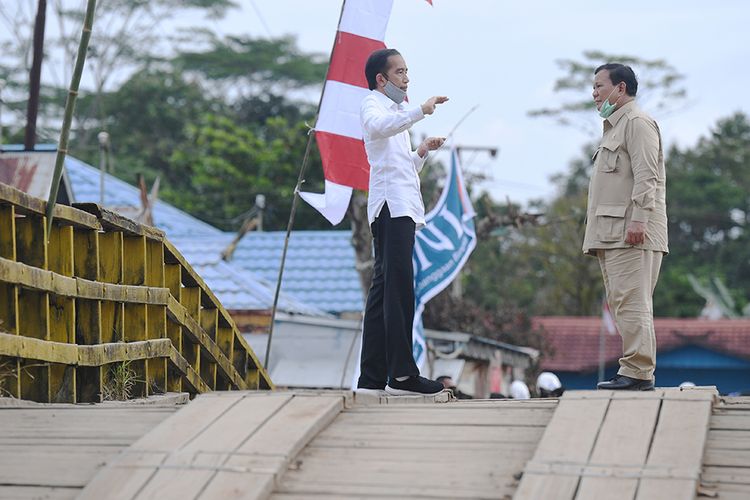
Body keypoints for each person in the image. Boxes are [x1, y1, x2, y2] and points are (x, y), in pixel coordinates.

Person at [356, 48, 448, 396]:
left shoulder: (395, 111)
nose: (406, 78)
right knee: (398, 291)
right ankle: (403, 376)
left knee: (384, 293)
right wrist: (420, 111)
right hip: (392, 208)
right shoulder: (373, 105)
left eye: (407, 72)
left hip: (401, 206)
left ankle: (372, 377)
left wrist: (421, 151)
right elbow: (376, 128)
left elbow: (398, 164)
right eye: (400, 72)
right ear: (382, 79)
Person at [584, 63, 668, 391]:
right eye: (593, 88)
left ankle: (637, 372)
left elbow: (648, 176)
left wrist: (640, 219)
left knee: (632, 301)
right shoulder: (614, 126)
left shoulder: (637, 122)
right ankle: (634, 368)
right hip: (612, 232)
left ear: (620, 89)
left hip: (632, 231)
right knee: (622, 301)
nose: (594, 94)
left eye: (599, 86)